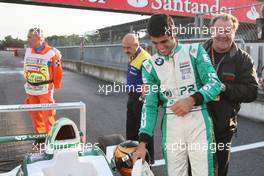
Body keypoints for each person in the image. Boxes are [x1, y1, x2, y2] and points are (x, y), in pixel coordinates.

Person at [132, 14, 222, 176]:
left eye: (164, 41)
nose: (160, 47)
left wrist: (193, 99)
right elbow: (150, 105)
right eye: (155, 43)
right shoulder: (150, 65)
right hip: (172, 128)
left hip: (199, 124)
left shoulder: (195, 51)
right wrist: (142, 143)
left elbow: (215, 83)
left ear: (174, 32)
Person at [203, 13, 258, 176]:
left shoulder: (243, 59)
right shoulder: (197, 53)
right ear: (211, 31)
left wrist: (224, 88)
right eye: (219, 30)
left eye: (228, 31)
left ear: (234, 32)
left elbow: (251, 91)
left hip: (223, 127)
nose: (223, 35)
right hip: (196, 124)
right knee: (195, 167)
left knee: (219, 169)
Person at [122, 33, 155, 164]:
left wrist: (143, 97)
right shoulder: (133, 55)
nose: (125, 50)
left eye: (128, 47)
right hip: (132, 97)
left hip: (141, 100)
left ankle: (148, 161)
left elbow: (152, 81)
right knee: (131, 130)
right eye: (123, 47)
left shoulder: (146, 58)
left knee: (144, 132)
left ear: (137, 45)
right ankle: (132, 160)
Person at [24, 28, 63, 135]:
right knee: (35, 116)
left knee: (48, 116)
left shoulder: (53, 53)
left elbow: (58, 70)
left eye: (29, 37)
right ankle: (40, 137)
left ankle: (51, 138)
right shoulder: (28, 51)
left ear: (38, 38)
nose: (28, 40)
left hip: (45, 90)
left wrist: (56, 85)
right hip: (31, 90)